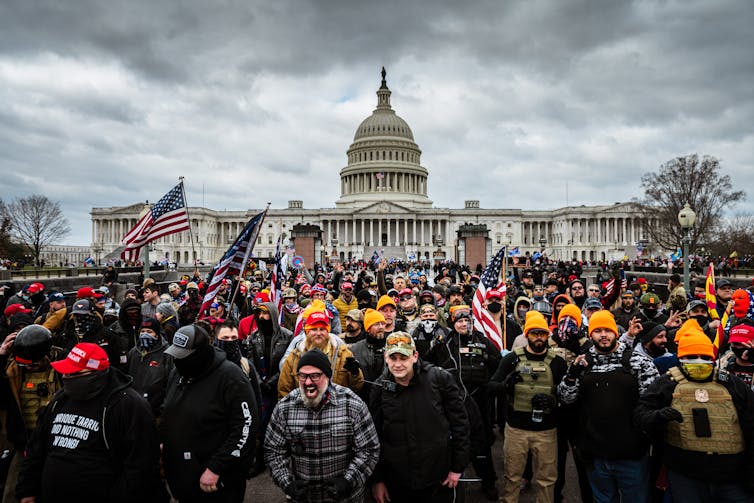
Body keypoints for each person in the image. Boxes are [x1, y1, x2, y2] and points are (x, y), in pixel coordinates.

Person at [15, 342, 167, 502]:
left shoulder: (128, 405)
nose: (65, 377)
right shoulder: (60, 400)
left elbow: (142, 465)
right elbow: (36, 448)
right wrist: (27, 489)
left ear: (95, 373)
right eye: (64, 372)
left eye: (73, 373)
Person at [635, 321, 754, 502]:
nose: (698, 361)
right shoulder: (667, 384)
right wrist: (658, 417)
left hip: (731, 476)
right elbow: (641, 414)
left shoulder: (731, 383)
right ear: (681, 357)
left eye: (704, 357)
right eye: (691, 356)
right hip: (686, 475)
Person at [557, 310, 659, 503]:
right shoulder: (582, 363)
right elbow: (565, 398)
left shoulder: (639, 363)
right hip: (596, 457)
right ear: (590, 335)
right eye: (598, 330)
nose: (603, 335)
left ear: (615, 332)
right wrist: (572, 375)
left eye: (607, 330)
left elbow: (652, 404)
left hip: (632, 456)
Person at [265, 348, 380, 502]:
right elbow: (273, 451)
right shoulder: (285, 408)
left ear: (328, 376)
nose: (307, 382)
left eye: (314, 376)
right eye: (302, 376)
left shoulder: (352, 404)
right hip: (305, 499)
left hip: (346, 498)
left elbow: (369, 449)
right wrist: (287, 483)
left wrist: (348, 480)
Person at [161, 324, 258, 502]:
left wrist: (216, 467)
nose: (178, 361)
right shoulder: (177, 373)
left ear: (200, 353)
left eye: (184, 356)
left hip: (216, 480)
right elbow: (170, 410)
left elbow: (245, 427)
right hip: (183, 477)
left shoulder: (231, 376)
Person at [369, 332, 470, 503]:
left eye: (404, 357)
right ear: (386, 357)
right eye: (393, 358)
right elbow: (374, 437)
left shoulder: (439, 379)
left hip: (437, 479)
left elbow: (460, 425)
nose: (398, 364)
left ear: (415, 356)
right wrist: (377, 480)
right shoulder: (380, 388)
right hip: (398, 482)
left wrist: (457, 468)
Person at [426, 304, 501, 500]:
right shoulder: (445, 341)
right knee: (453, 439)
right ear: (453, 322)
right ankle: (449, 477)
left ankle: (488, 480)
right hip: (454, 400)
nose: (463, 324)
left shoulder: (482, 340)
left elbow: (498, 364)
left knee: (481, 441)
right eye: (460, 321)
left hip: (479, 398)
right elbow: (427, 364)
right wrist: (434, 346)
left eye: (467, 320)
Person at [492, 311, 567, 503]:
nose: (539, 338)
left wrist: (553, 401)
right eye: (534, 333)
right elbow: (491, 387)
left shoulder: (558, 362)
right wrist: (505, 386)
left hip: (546, 431)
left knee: (547, 479)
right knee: (512, 476)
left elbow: (568, 394)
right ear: (526, 335)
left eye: (542, 333)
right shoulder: (511, 359)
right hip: (516, 429)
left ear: (548, 335)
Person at [0, 325, 63, 501]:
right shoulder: (12, 371)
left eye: (32, 365)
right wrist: (1, 356)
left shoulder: (61, 366)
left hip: (56, 444)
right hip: (25, 444)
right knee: (13, 493)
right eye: (23, 365)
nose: (27, 368)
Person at [278, 311, 363, 399]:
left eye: (322, 329)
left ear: (328, 331)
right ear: (307, 332)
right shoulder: (294, 357)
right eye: (314, 329)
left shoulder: (344, 355)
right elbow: (284, 391)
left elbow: (357, 387)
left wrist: (355, 373)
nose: (318, 333)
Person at [126, 318, 173, 418]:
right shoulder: (133, 352)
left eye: (149, 332)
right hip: (133, 405)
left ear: (156, 334)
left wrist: (163, 407)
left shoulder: (167, 353)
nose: (145, 334)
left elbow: (171, 382)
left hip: (155, 409)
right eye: (142, 331)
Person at [349, 309, 388, 399]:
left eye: (383, 323)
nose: (381, 327)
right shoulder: (355, 350)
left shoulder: (393, 345)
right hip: (364, 397)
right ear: (368, 329)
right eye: (376, 324)